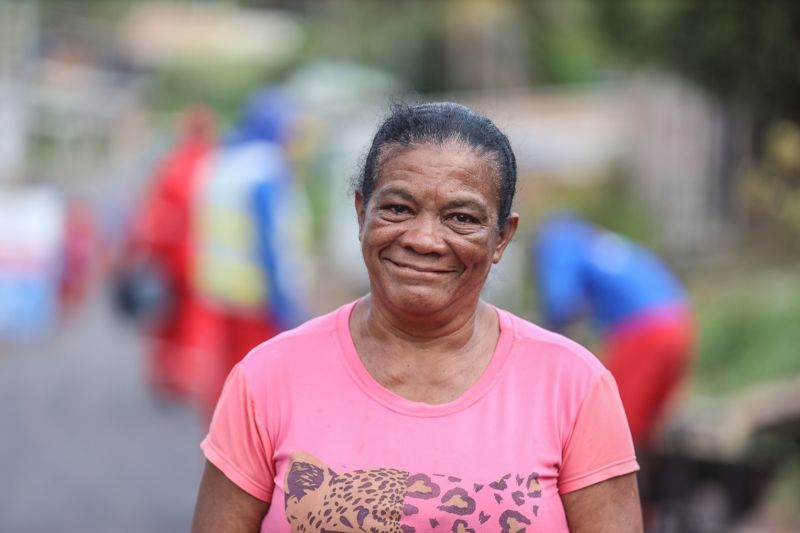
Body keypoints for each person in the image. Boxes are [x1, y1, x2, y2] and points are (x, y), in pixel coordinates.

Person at [192, 102, 643, 532]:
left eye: (461, 217)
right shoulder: (267, 378)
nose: (424, 239)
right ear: (360, 213)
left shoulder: (573, 386)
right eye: (397, 209)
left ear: (502, 238)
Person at [192, 87, 311, 419]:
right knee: (259, 384)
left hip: (219, 286)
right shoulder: (266, 170)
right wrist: (283, 304)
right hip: (256, 293)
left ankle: (221, 446)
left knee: (227, 373)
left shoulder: (223, 163)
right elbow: (270, 240)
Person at [532, 211, 694, 449]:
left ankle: (616, 485)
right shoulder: (598, 241)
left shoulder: (558, 239)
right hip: (680, 323)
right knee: (644, 428)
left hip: (644, 330)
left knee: (613, 427)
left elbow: (561, 305)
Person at [124, 105, 217, 402]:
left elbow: (152, 210)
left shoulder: (172, 163)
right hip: (199, 255)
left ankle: (164, 373)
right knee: (191, 318)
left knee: (163, 315)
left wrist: (143, 248)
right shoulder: (213, 163)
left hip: (167, 252)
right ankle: (184, 375)